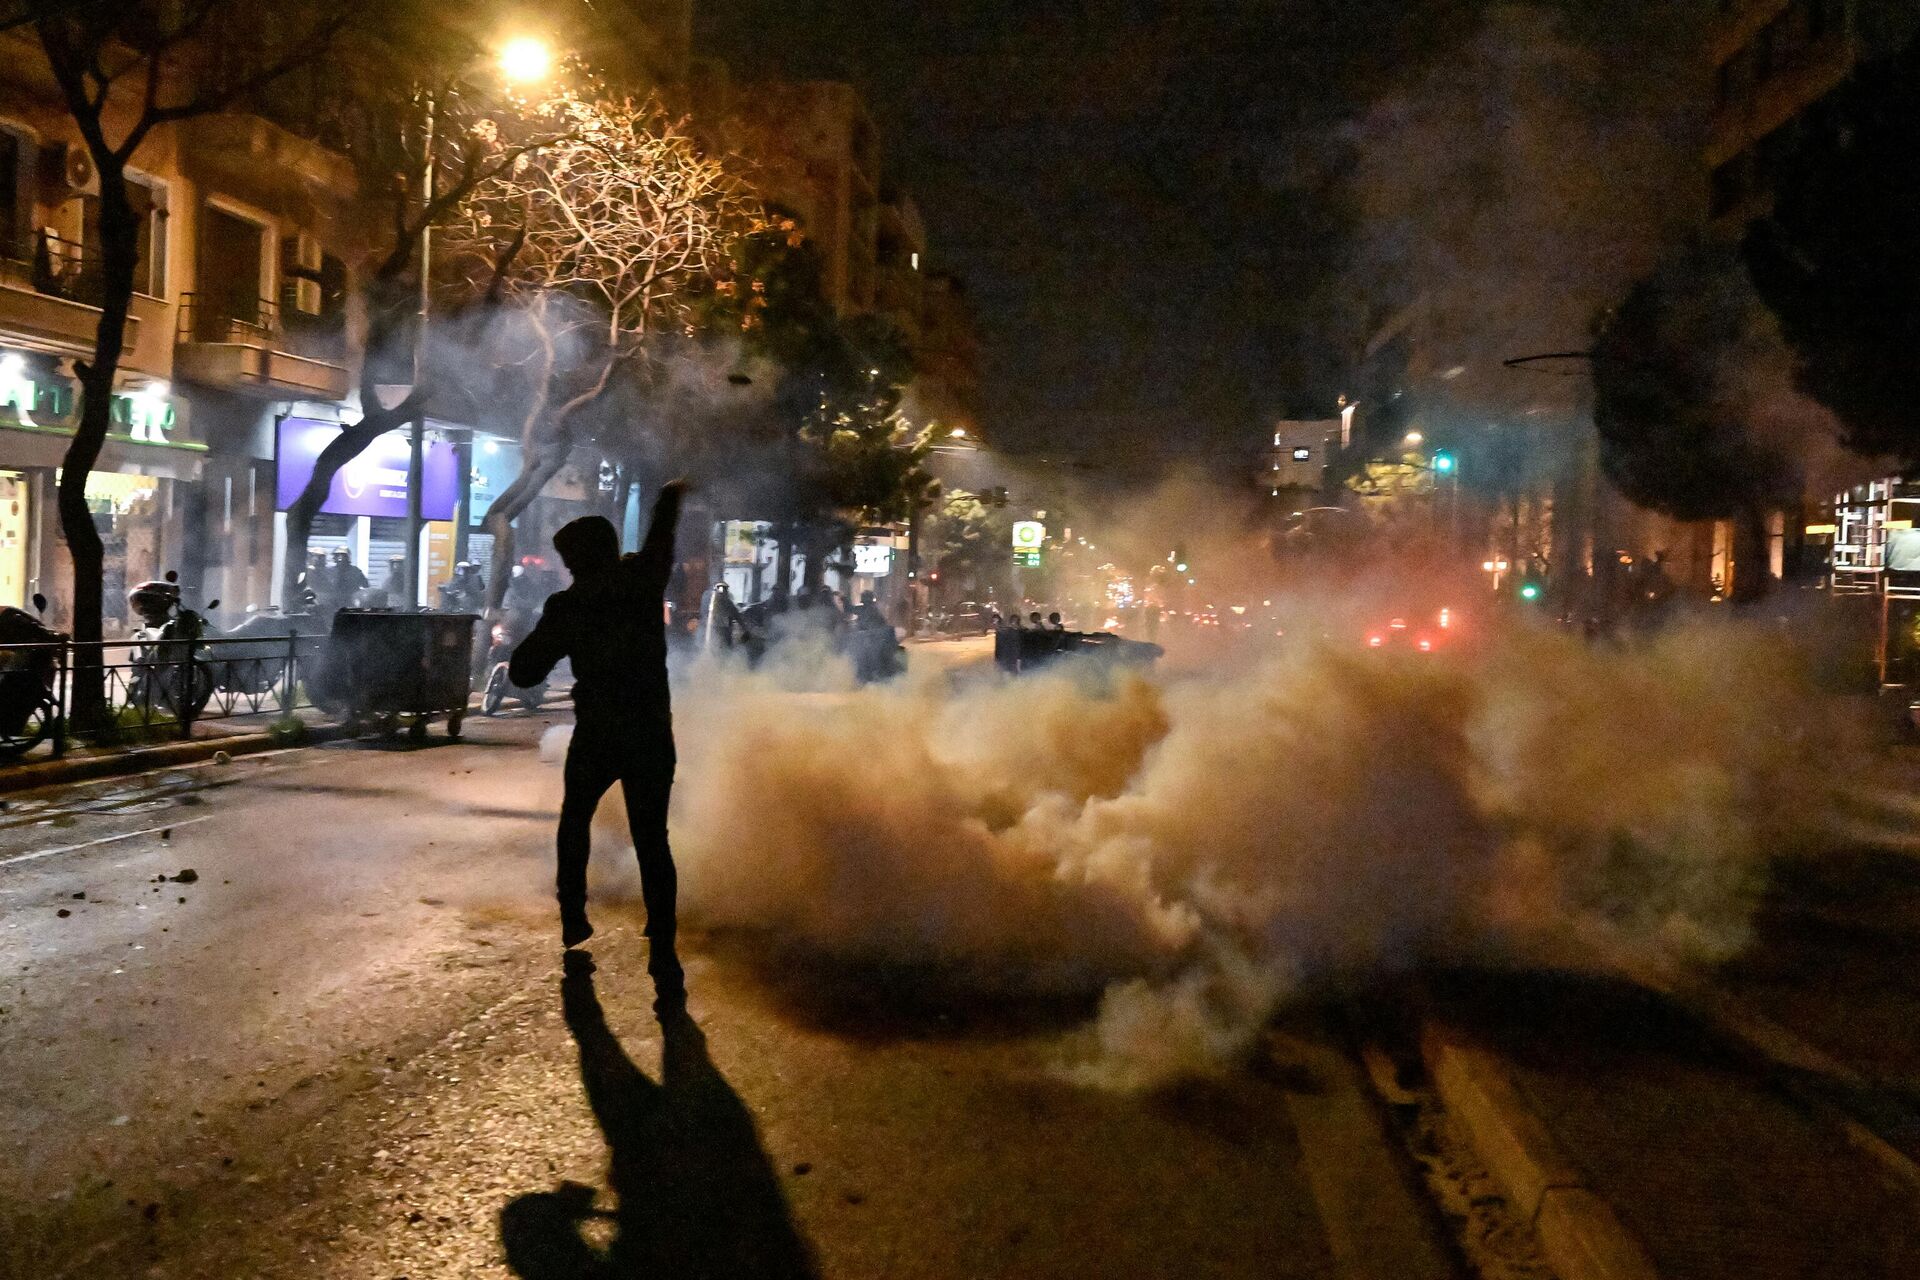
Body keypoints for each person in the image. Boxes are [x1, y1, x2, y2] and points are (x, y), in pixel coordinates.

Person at [509, 480, 688, 1010]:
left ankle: (573, 916)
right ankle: (662, 938)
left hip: (600, 732)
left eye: (569, 559)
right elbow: (662, 536)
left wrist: (548, 631)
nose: (567, 568)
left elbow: (522, 672)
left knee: (574, 820)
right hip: (651, 731)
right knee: (652, 838)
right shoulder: (642, 581)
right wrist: (670, 496)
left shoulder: (570, 604)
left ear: (579, 559)